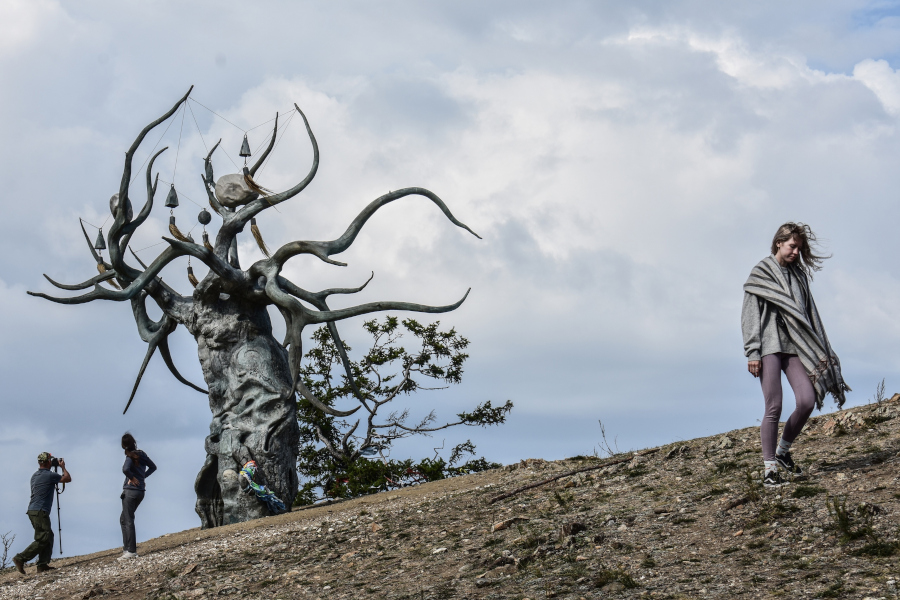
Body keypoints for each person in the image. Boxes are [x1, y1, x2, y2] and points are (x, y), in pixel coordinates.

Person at [742, 222, 850, 488]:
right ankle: (769, 470)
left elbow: (808, 314)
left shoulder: (798, 276)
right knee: (774, 406)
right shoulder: (761, 273)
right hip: (768, 347)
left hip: (795, 348)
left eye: (799, 248)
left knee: (807, 401)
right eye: (792, 246)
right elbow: (750, 315)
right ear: (779, 242)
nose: (795, 252)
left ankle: (782, 452)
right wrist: (752, 351)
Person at [12, 452, 72, 575]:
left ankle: (43, 565)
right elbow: (67, 478)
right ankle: (20, 558)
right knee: (43, 537)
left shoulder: (35, 475)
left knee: (48, 536)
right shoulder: (49, 475)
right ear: (49, 462)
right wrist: (63, 467)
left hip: (33, 510)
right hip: (40, 511)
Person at [119, 433, 157, 560]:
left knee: (128, 519)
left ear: (123, 446)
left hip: (130, 491)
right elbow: (153, 467)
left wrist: (133, 477)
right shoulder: (142, 454)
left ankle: (131, 551)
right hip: (140, 492)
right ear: (134, 442)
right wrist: (142, 478)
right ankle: (126, 549)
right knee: (123, 519)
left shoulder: (130, 456)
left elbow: (125, 469)